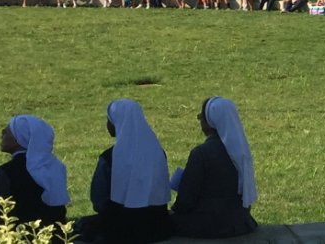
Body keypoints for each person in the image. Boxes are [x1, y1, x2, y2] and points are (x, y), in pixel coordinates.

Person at [79, 99, 175, 244]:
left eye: (109, 120)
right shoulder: (158, 152)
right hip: (157, 225)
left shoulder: (109, 157)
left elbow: (98, 200)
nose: (107, 125)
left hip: (120, 228)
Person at [173, 97, 258, 238]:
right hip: (240, 223)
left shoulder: (201, 153)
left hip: (208, 225)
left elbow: (185, 202)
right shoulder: (241, 151)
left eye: (201, 117)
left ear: (210, 122)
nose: (200, 121)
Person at [0, 115, 69, 241]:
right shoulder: (55, 168)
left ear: (20, 139)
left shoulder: (6, 172)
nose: (2, 133)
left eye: (8, 130)